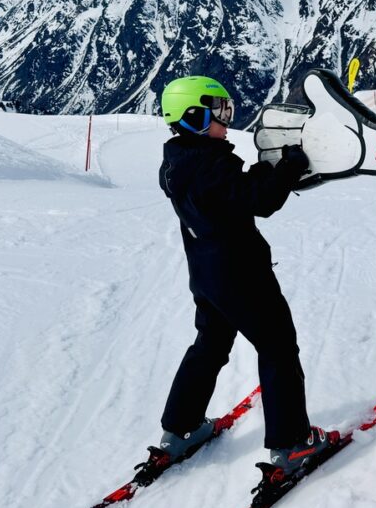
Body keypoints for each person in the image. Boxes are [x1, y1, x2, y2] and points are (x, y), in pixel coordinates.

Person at [136, 75, 336, 483]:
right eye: (219, 112)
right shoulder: (210, 164)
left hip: (207, 274)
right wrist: (287, 167)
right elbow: (256, 200)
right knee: (278, 346)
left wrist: (267, 172)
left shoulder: (179, 160)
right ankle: (293, 442)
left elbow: (231, 194)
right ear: (192, 118)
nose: (228, 119)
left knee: (210, 342)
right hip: (241, 273)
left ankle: (180, 427)